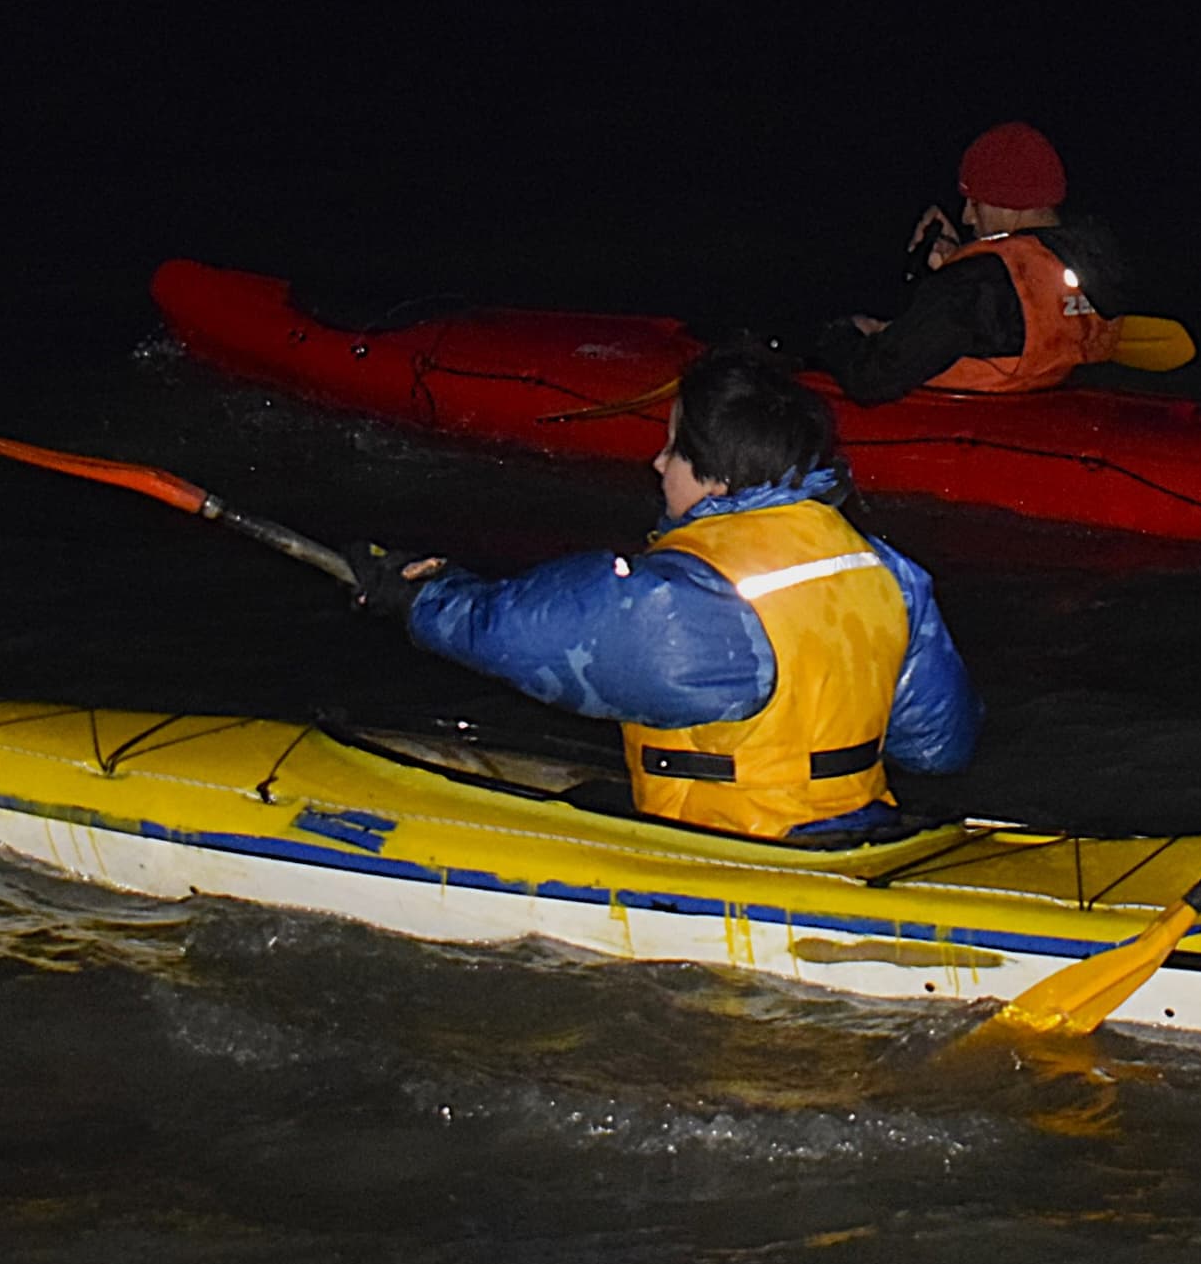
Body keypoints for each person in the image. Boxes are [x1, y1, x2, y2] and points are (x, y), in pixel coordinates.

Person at [346, 347, 980, 843]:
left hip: (736, 844)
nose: (657, 463)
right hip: (861, 826)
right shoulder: (887, 569)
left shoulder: (698, 597)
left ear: (720, 478)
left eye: (674, 448)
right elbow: (936, 747)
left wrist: (421, 596)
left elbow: (533, 632)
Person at [804, 120, 1130, 403]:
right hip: (1043, 409)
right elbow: (1004, 315)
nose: (966, 217)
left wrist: (844, 333)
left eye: (974, 203)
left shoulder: (975, 284)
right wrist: (957, 262)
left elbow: (871, 379)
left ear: (1008, 202)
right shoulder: (1095, 260)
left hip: (963, 428)